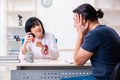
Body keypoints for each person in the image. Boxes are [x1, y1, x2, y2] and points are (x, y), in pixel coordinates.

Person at [62, 3, 120, 80]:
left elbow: (78, 62)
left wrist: (80, 33)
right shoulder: (109, 30)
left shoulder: (95, 34)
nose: (74, 25)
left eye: (75, 21)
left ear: (84, 20)